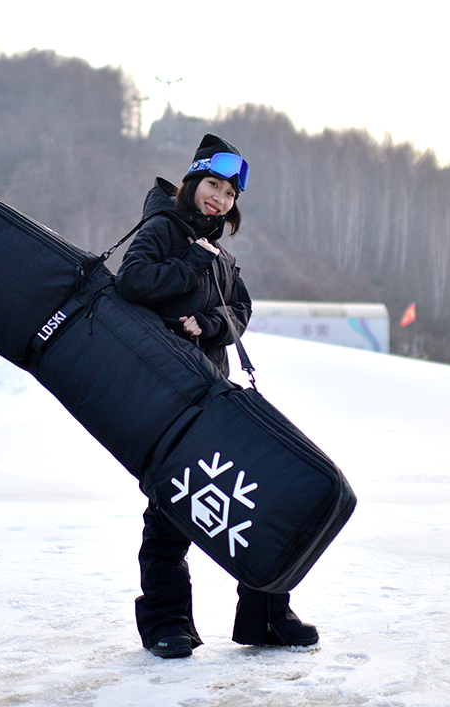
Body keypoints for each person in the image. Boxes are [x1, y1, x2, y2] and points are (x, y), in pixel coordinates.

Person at [116, 134, 319, 659]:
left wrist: (206, 322)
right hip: (163, 395)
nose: (220, 199)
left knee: (258, 497)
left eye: (230, 194)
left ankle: (266, 615)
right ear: (191, 182)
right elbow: (132, 280)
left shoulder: (219, 254)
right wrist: (190, 268)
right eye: (212, 186)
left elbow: (239, 312)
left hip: (212, 390)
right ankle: (167, 625)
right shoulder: (163, 229)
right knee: (168, 513)